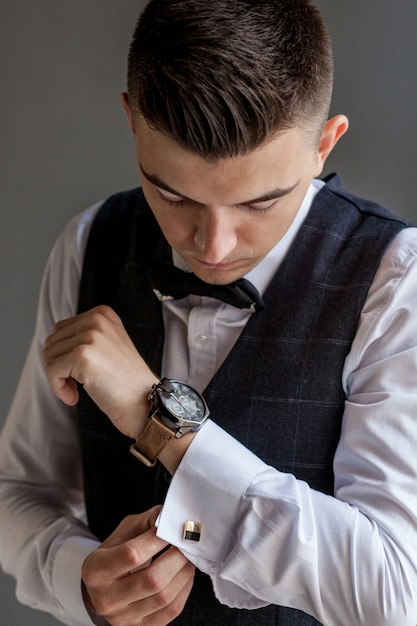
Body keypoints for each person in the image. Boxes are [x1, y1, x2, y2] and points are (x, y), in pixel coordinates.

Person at [1, 0, 417, 624]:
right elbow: (19, 491)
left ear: (323, 146)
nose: (212, 247)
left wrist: (156, 417)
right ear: (132, 123)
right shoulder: (88, 244)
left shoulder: (395, 279)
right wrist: (77, 578)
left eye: (261, 202)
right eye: (173, 194)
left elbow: (392, 593)